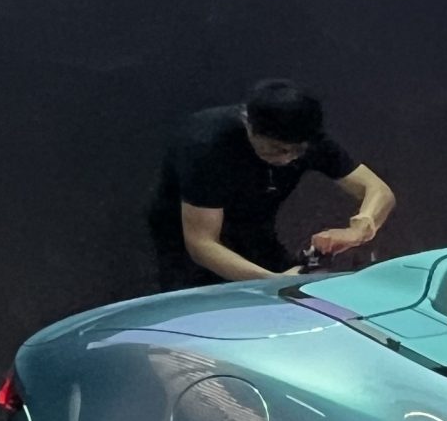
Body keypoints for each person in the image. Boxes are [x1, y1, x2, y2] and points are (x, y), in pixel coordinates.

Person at [145, 80, 396, 288]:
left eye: (297, 151)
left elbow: (378, 191)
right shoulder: (206, 146)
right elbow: (201, 244)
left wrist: (358, 230)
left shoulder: (308, 140)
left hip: (256, 231)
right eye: (277, 149)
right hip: (190, 245)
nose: (288, 158)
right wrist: (273, 282)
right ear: (248, 124)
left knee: (295, 292)